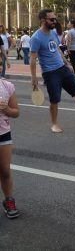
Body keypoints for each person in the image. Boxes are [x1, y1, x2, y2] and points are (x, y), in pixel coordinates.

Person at [30, 9, 75, 133]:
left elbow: (57, 49)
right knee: (55, 99)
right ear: (43, 20)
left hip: (62, 68)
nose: (54, 21)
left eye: (55, 18)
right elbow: (32, 58)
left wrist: (66, 63)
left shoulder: (53, 33)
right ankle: (54, 124)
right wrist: (33, 77)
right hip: (50, 72)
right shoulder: (36, 37)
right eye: (51, 19)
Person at [0, 59, 21, 219]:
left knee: (5, 171)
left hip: (3, 134)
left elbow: (16, 112)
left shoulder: (7, 86)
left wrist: (6, 109)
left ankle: (9, 201)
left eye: (0, 63)